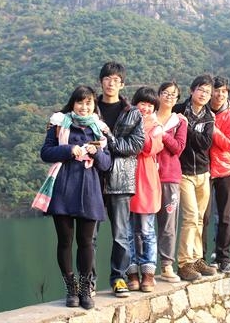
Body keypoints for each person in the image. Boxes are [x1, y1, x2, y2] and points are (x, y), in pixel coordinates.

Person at [40, 85, 112, 310]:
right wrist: (69, 150)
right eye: (80, 102)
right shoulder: (59, 124)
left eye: (88, 102)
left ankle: (85, 289)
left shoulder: (99, 129)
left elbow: (107, 164)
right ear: (73, 104)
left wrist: (96, 153)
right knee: (65, 241)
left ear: (94, 105)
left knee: (86, 242)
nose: (84, 106)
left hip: (89, 189)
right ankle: (71, 288)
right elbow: (46, 153)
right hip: (63, 187)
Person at [97, 61, 145, 298]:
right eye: (107, 78)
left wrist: (110, 140)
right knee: (89, 236)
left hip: (121, 178)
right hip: (93, 178)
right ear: (101, 82)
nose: (111, 83)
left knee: (120, 234)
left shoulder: (132, 112)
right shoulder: (90, 108)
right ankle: (89, 281)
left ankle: (119, 278)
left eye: (116, 80)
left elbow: (136, 145)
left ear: (122, 84)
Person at [172, 74, 217, 281]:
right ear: (192, 91)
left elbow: (205, 143)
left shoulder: (209, 116)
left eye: (208, 92)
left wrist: (187, 128)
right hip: (184, 172)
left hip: (203, 172)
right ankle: (184, 263)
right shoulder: (178, 110)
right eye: (201, 90)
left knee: (200, 218)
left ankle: (197, 258)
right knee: (190, 217)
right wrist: (185, 127)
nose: (204, 94)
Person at [126, 86, 164, 292]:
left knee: (147, 230)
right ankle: (131, 272)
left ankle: (148, 273)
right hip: (125, 178)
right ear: (135, 104)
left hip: (146, 180)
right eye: (142, 104)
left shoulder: (156, 127)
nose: (146, 108)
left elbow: (148, 148)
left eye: (150, 105)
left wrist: (137, 127)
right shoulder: (124, 121)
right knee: (127, 231)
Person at [203, 76, 230, 273]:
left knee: (225, 216)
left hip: (224, 168)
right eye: (216, 90)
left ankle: (223, 257)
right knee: (203, 216)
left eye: (224, 91)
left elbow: (228, 143)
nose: (219, 94)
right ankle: (200, 258)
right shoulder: (201, 109)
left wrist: (212, 126)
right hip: (203, 168)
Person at [155, 81, 188, 283]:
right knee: (144, 225)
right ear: (159, 95)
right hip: (148, 177)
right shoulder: (147, 117)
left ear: (177, 99)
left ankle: (167, 265)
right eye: (166, 93)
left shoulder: (179, 122)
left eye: (173, 94)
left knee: (168, 224)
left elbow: (178, 148)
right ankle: (146, 268)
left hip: (170, 176)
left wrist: (162, 134)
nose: (169, 97)